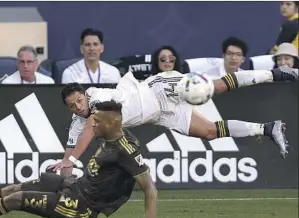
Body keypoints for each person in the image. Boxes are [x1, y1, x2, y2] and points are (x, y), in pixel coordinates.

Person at [0, 101, 157, 218]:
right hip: (74, 185)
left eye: (97, 121)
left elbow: (150, 189)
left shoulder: (126, 150)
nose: (93, 124)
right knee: (14, 188)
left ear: (113, 123)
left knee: (15, 200)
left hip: (82, 207)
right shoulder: (112, 136)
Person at [49, 66, 298, 175]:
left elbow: (88, 134)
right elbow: (70, 152)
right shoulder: (77, 122)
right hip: (160, 114)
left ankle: (276, 73)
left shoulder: (96, 97)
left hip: (158, 90)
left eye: (79, 100)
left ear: (84, 94)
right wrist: (64, 170)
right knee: (209, 132)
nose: (78, 107)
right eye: (72, 106)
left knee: (214, 88)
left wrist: (70, 159)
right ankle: (269, 128)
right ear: (68, 108)